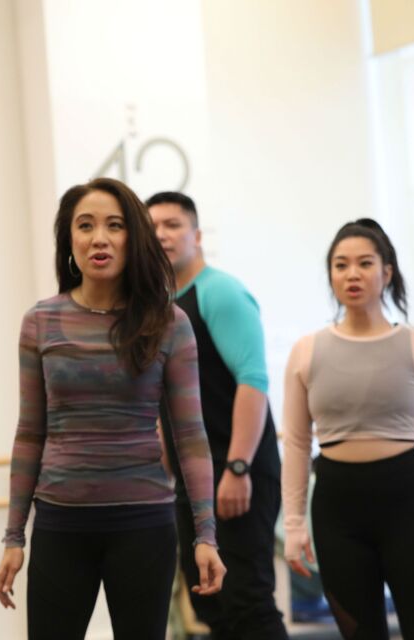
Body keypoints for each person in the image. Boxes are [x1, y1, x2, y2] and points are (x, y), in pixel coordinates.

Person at [0, 178, 226, 640]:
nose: (99, 237)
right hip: (61, 523)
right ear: (70, 240)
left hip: (143, 524)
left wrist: (206, 536)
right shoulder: (41, 321)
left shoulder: (168, 322)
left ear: (132, 237)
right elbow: (29, 433)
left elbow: (190, 436)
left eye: (114, 225)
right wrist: (14, 536)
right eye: (85, 225)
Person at [282, 218, 414, 639]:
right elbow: (295, 443)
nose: (352, 274)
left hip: (406, 499)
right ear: (330, 275)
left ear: (386, 272)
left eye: (364, 263)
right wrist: (293, 526)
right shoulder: (306, 351)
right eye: (340, 265)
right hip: (336, 504)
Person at [147, 191, 288, 639]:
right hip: (193, 481)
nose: (162, 235)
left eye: (172, 224)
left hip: (237, 473)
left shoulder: (219, 292)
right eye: (152, 228)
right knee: (210, 605)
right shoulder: (157, 306)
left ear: (197, 235)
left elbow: (253, 381)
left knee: (248, 601)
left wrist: (238, 466)